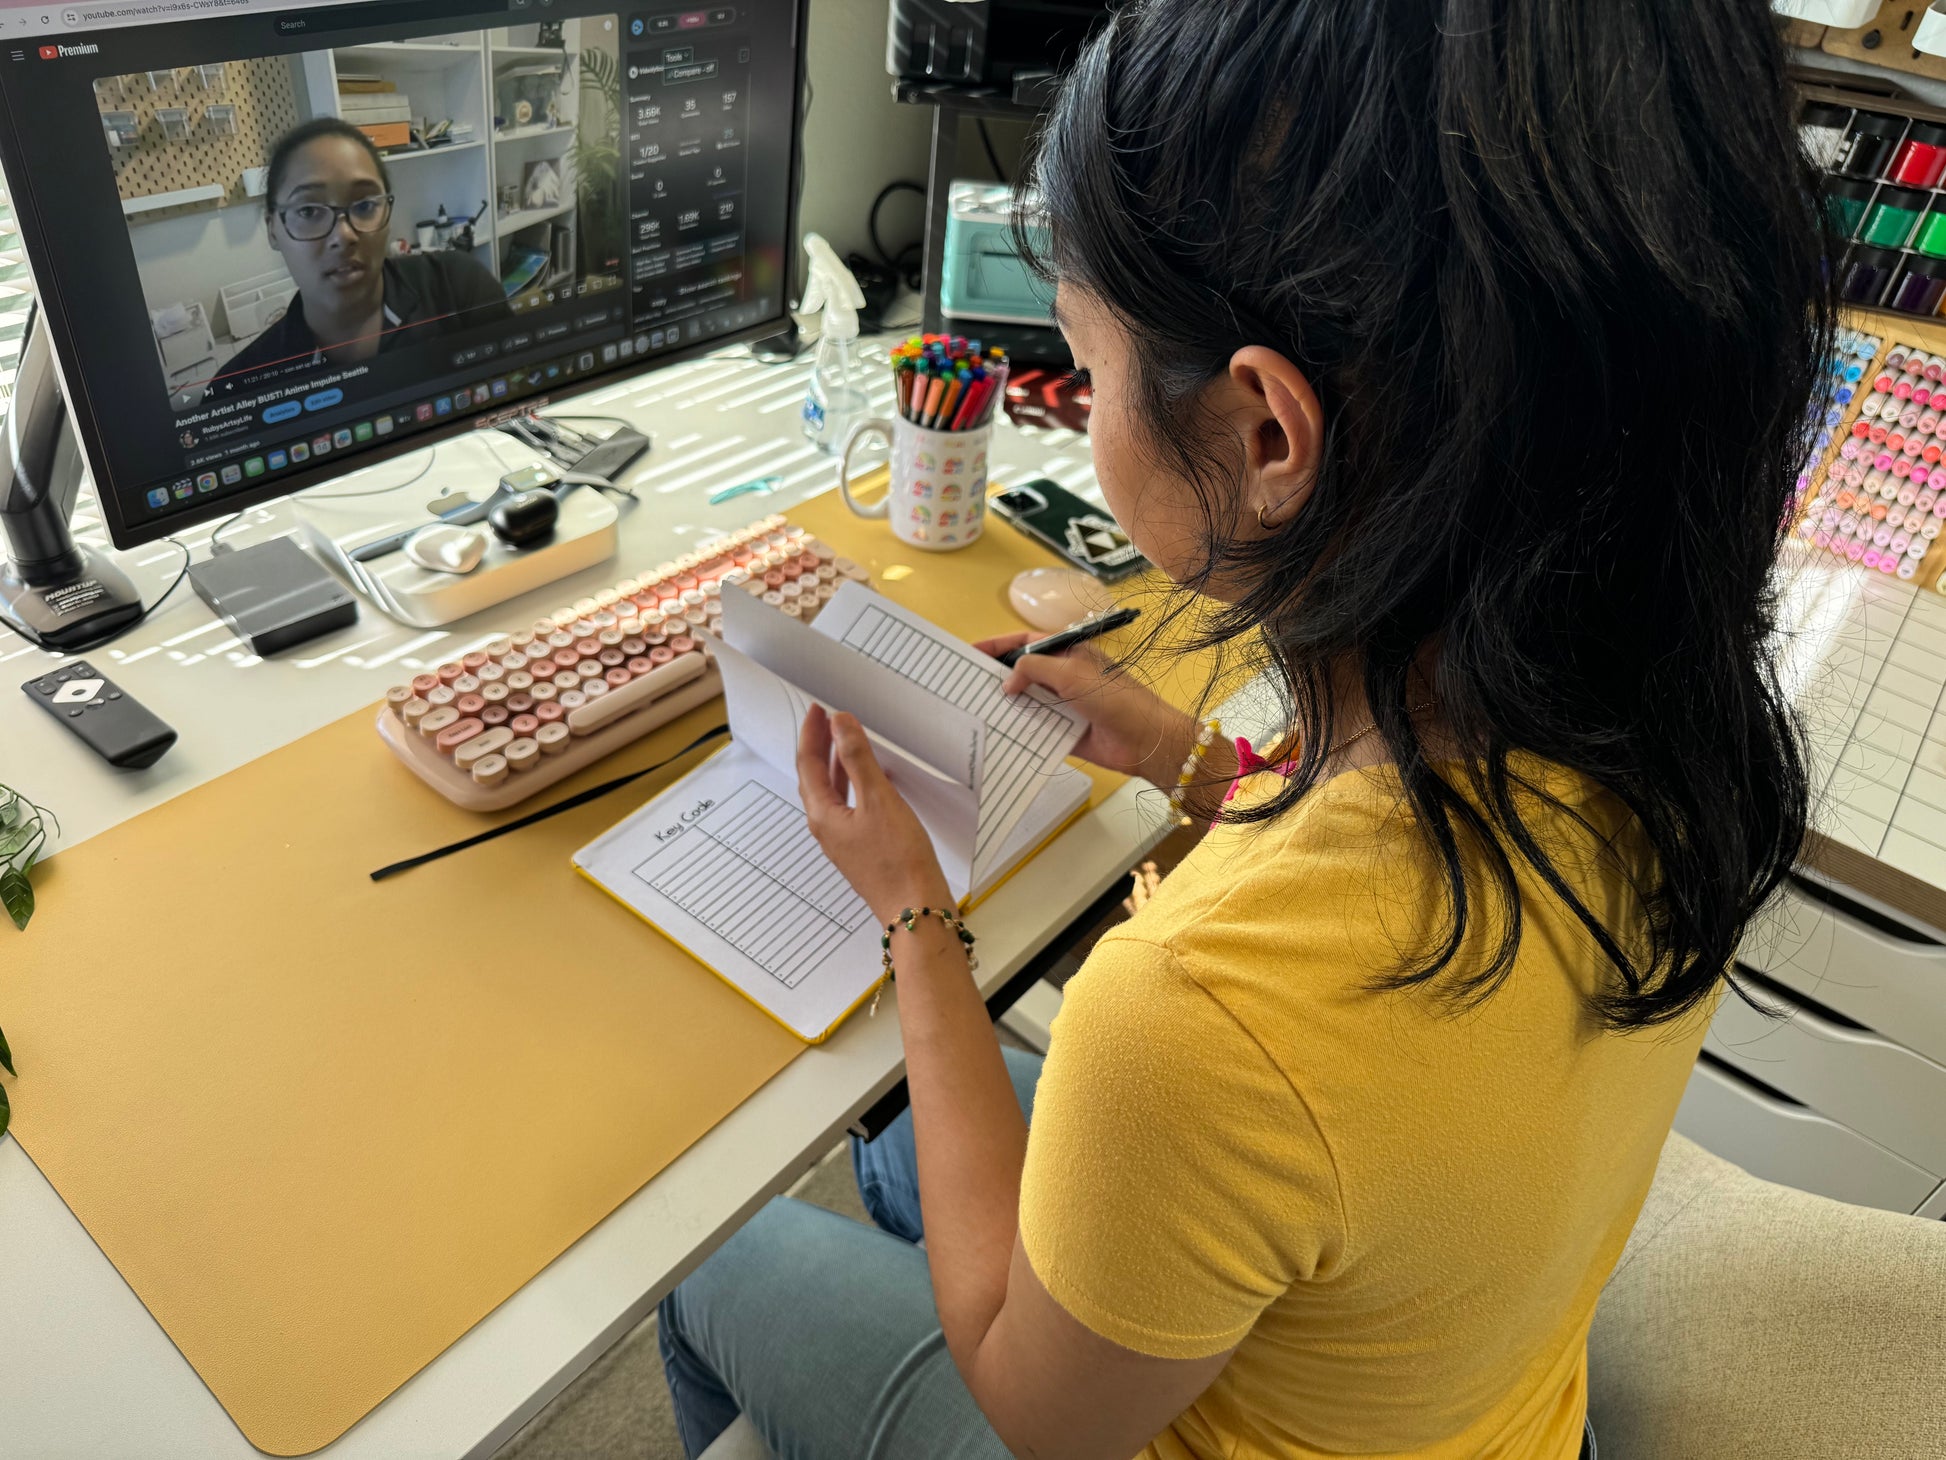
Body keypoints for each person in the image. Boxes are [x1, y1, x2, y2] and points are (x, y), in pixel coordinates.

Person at [657, 1, 1829, 1457]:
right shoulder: (1664, 735)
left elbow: (1034, 1403)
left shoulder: (1191, 1021)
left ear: (1268, 434)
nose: (1084, 413)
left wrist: (914, 912)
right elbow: (1371, 950)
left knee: (710, 1259)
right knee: (905, 1153)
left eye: (1084, 371)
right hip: (1489, 1409)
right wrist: (1174, 753)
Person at [219, 118, 510, 381]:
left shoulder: (457, 288)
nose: (344, 235)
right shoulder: (239, 386)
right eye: (308, 211)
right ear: (272, 230)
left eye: (365, 205)